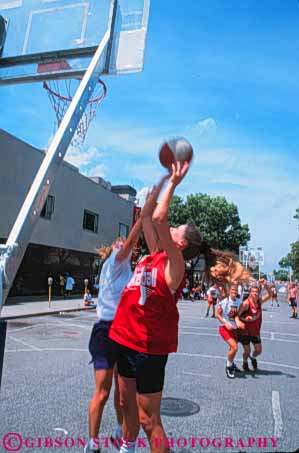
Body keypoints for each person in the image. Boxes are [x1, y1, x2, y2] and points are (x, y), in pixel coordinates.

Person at [109, 163, 204, 453]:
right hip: (125, 338)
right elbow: (148, 217)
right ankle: (127, 448)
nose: (171, 227)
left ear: (181, 242)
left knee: (148, 419)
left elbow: (160, 218)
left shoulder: (175, 266)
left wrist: (173, 183)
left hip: (147, 347)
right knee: (125, 405)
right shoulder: (155, 256)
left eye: (176, 229)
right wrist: (158, 186)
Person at [84, 216, 142, 453]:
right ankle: (93, 443)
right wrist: (142, 217)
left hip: (124, 330)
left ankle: (119, 432)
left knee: (123, 392)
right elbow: (131, 241)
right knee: (103, 391)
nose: (124, 246)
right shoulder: (115, 263)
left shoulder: (128, 270)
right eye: (120, 243)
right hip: (106, 330)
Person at [237, 280, 272, 371]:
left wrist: (266, 285)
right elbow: (237, 316)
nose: (255, 293)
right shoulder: (246, 304)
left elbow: (270, 295)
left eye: (257, 292)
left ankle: (252, 357)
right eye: (253, 292)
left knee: (258, 350)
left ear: (259, 293)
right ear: (250, 292)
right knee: (247, 351)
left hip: (255, 331)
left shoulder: (259, 301)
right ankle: (245, 362)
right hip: (245, 331)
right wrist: (245, 319)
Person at [216, 283, 245, 379]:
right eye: (232, 290)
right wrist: (225, 323)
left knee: (233, 348)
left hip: (234, 329)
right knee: (235, 347)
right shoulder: (225, 302)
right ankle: (228, 367)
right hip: (224, 328)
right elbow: (217, 314)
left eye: (236, 290)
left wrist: (238, 321)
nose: (234, 291)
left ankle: (231, 363)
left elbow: (236, 315)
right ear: (229, 291)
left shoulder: (238, 301)